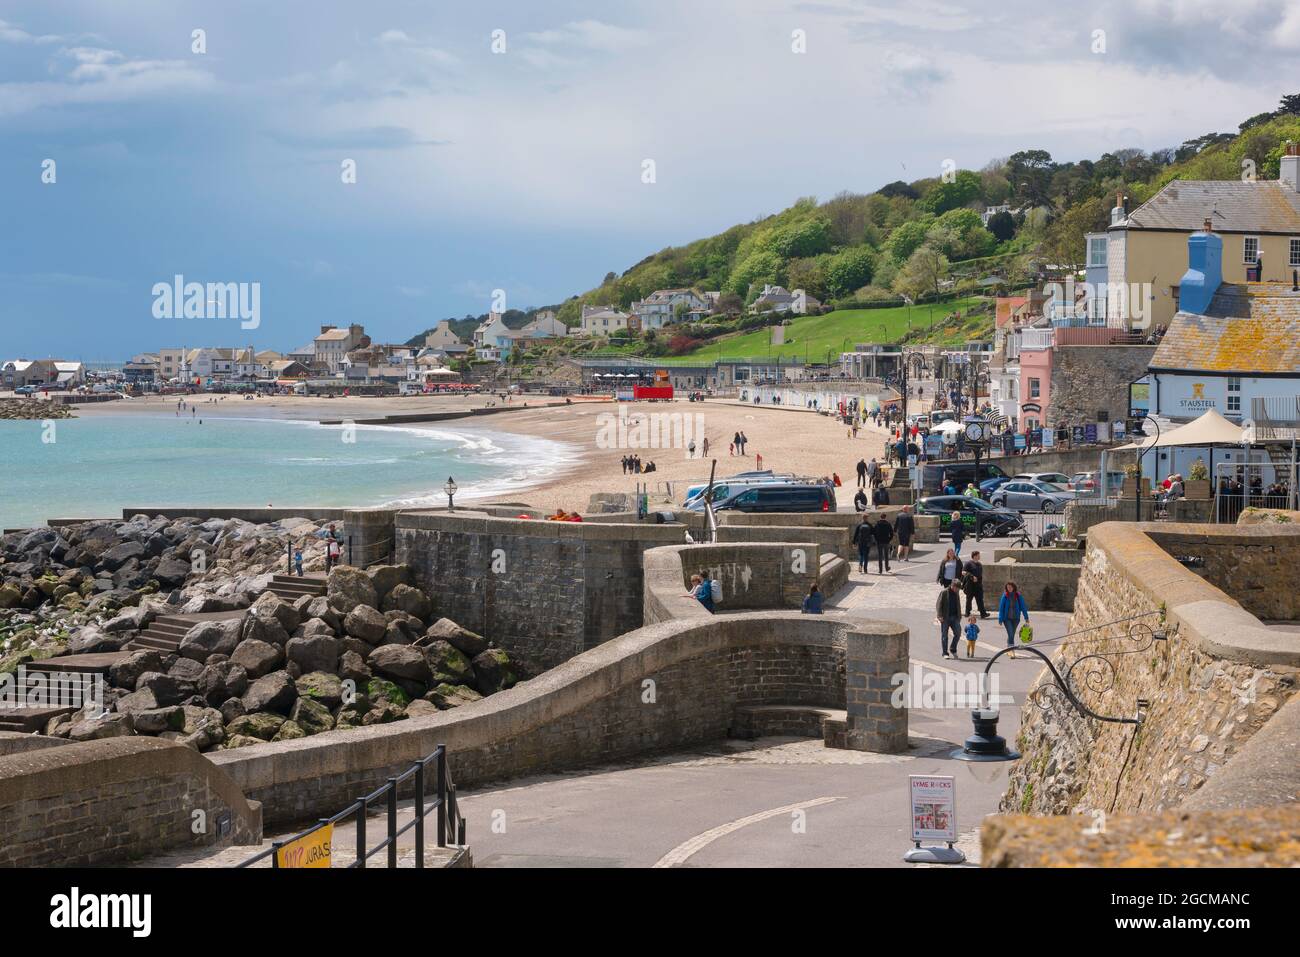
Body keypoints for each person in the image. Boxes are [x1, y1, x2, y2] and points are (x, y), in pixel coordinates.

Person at [998, 581, 1030, 659]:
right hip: (1007, 618)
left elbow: (1023, 607)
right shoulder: (1005, 596)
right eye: (1008, 587)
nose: (1009, 589)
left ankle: (1008, 647)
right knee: (1011, 634)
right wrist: (1000, 619)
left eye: (1010, 587)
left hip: (1016, 618)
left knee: (1011, 634)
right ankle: (1012, 651)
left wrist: (1026, 617)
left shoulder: (1018, 596)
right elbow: (1001, 608)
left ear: (1013, 587)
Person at [935, 579, 963, 659]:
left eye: (958, 589)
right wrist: (939, 616)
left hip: (955, 617)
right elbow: (938, 604)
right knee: (944, 635)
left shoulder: (956, 593)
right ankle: (945, 653)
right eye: (956, 588)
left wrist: (959, 615)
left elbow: (958, 604)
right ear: (952, 586)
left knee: (958, 633)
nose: (957, 590)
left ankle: (953, 649)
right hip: (945, 617)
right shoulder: (944, 593)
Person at [963, 550, 988, 618]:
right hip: (970, 585)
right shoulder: (968, 563)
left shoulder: (979, 564)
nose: (979, 556)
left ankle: (983, 613)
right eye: (978, 555)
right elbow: (963, 572)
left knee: (980, 599)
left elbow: (980, 575)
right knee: (969, 599)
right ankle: (967, 612)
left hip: (978, 585)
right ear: (974, 556)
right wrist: (972, 576)